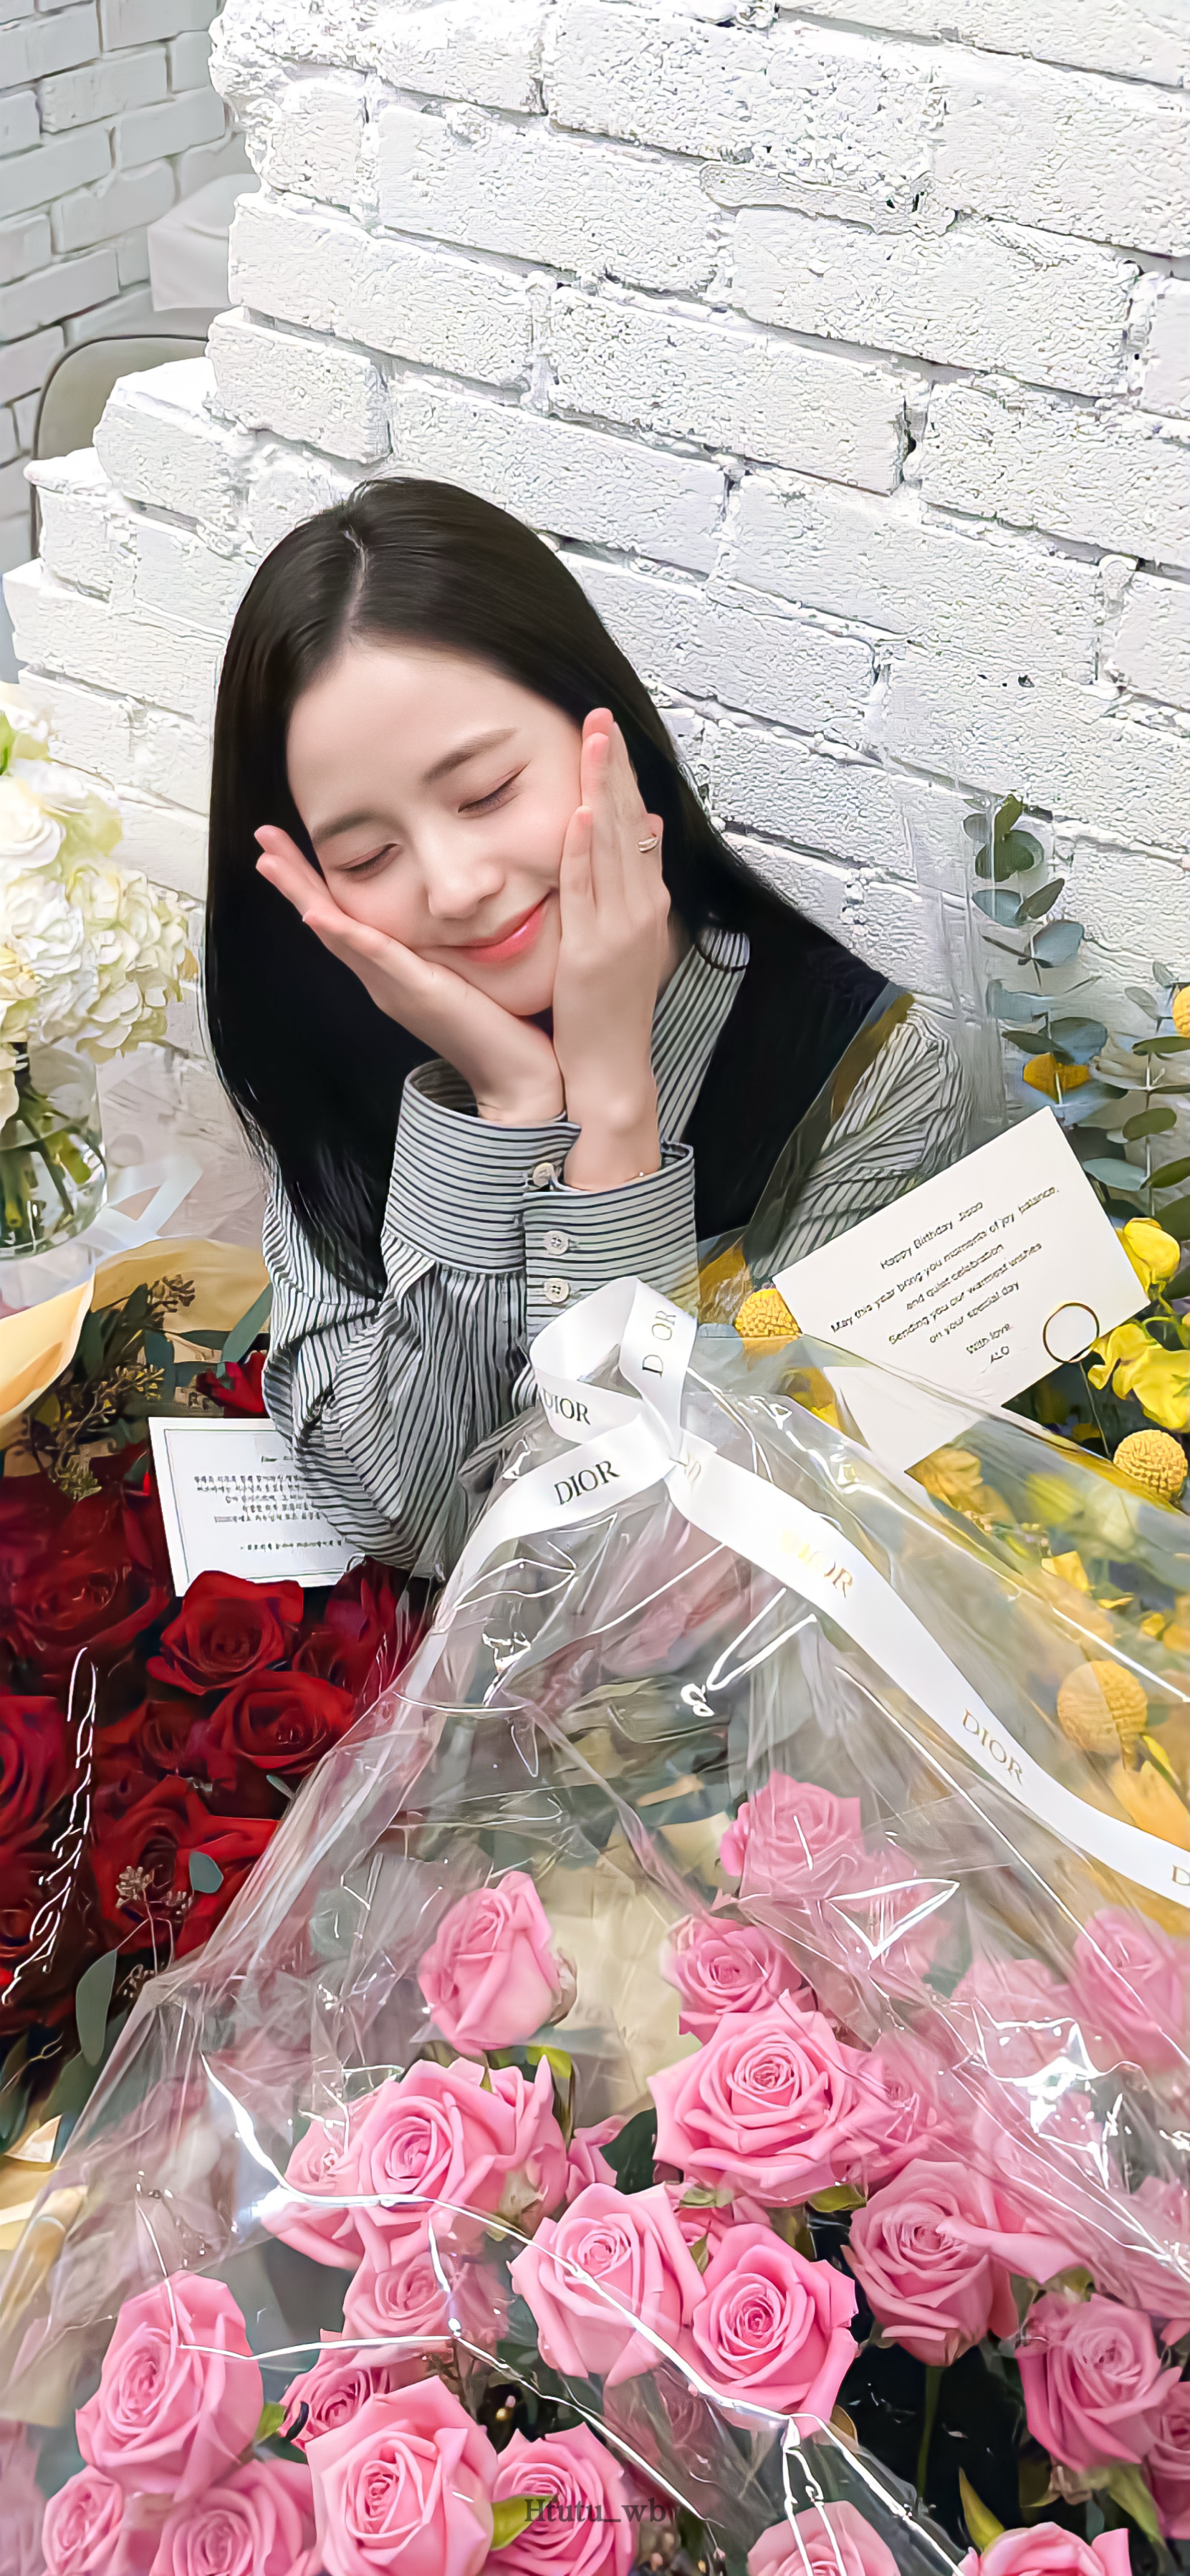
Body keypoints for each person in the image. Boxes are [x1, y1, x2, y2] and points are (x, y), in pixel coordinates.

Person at [205, 479, 967, 1573]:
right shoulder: (334, 1050)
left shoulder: (863, 1072)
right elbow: (400, 1522)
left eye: (484, 792)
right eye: (367, 856)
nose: (456, 886)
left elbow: (640, 1559)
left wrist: (613, 1115)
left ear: (597, 728)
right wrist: (505, 1108)